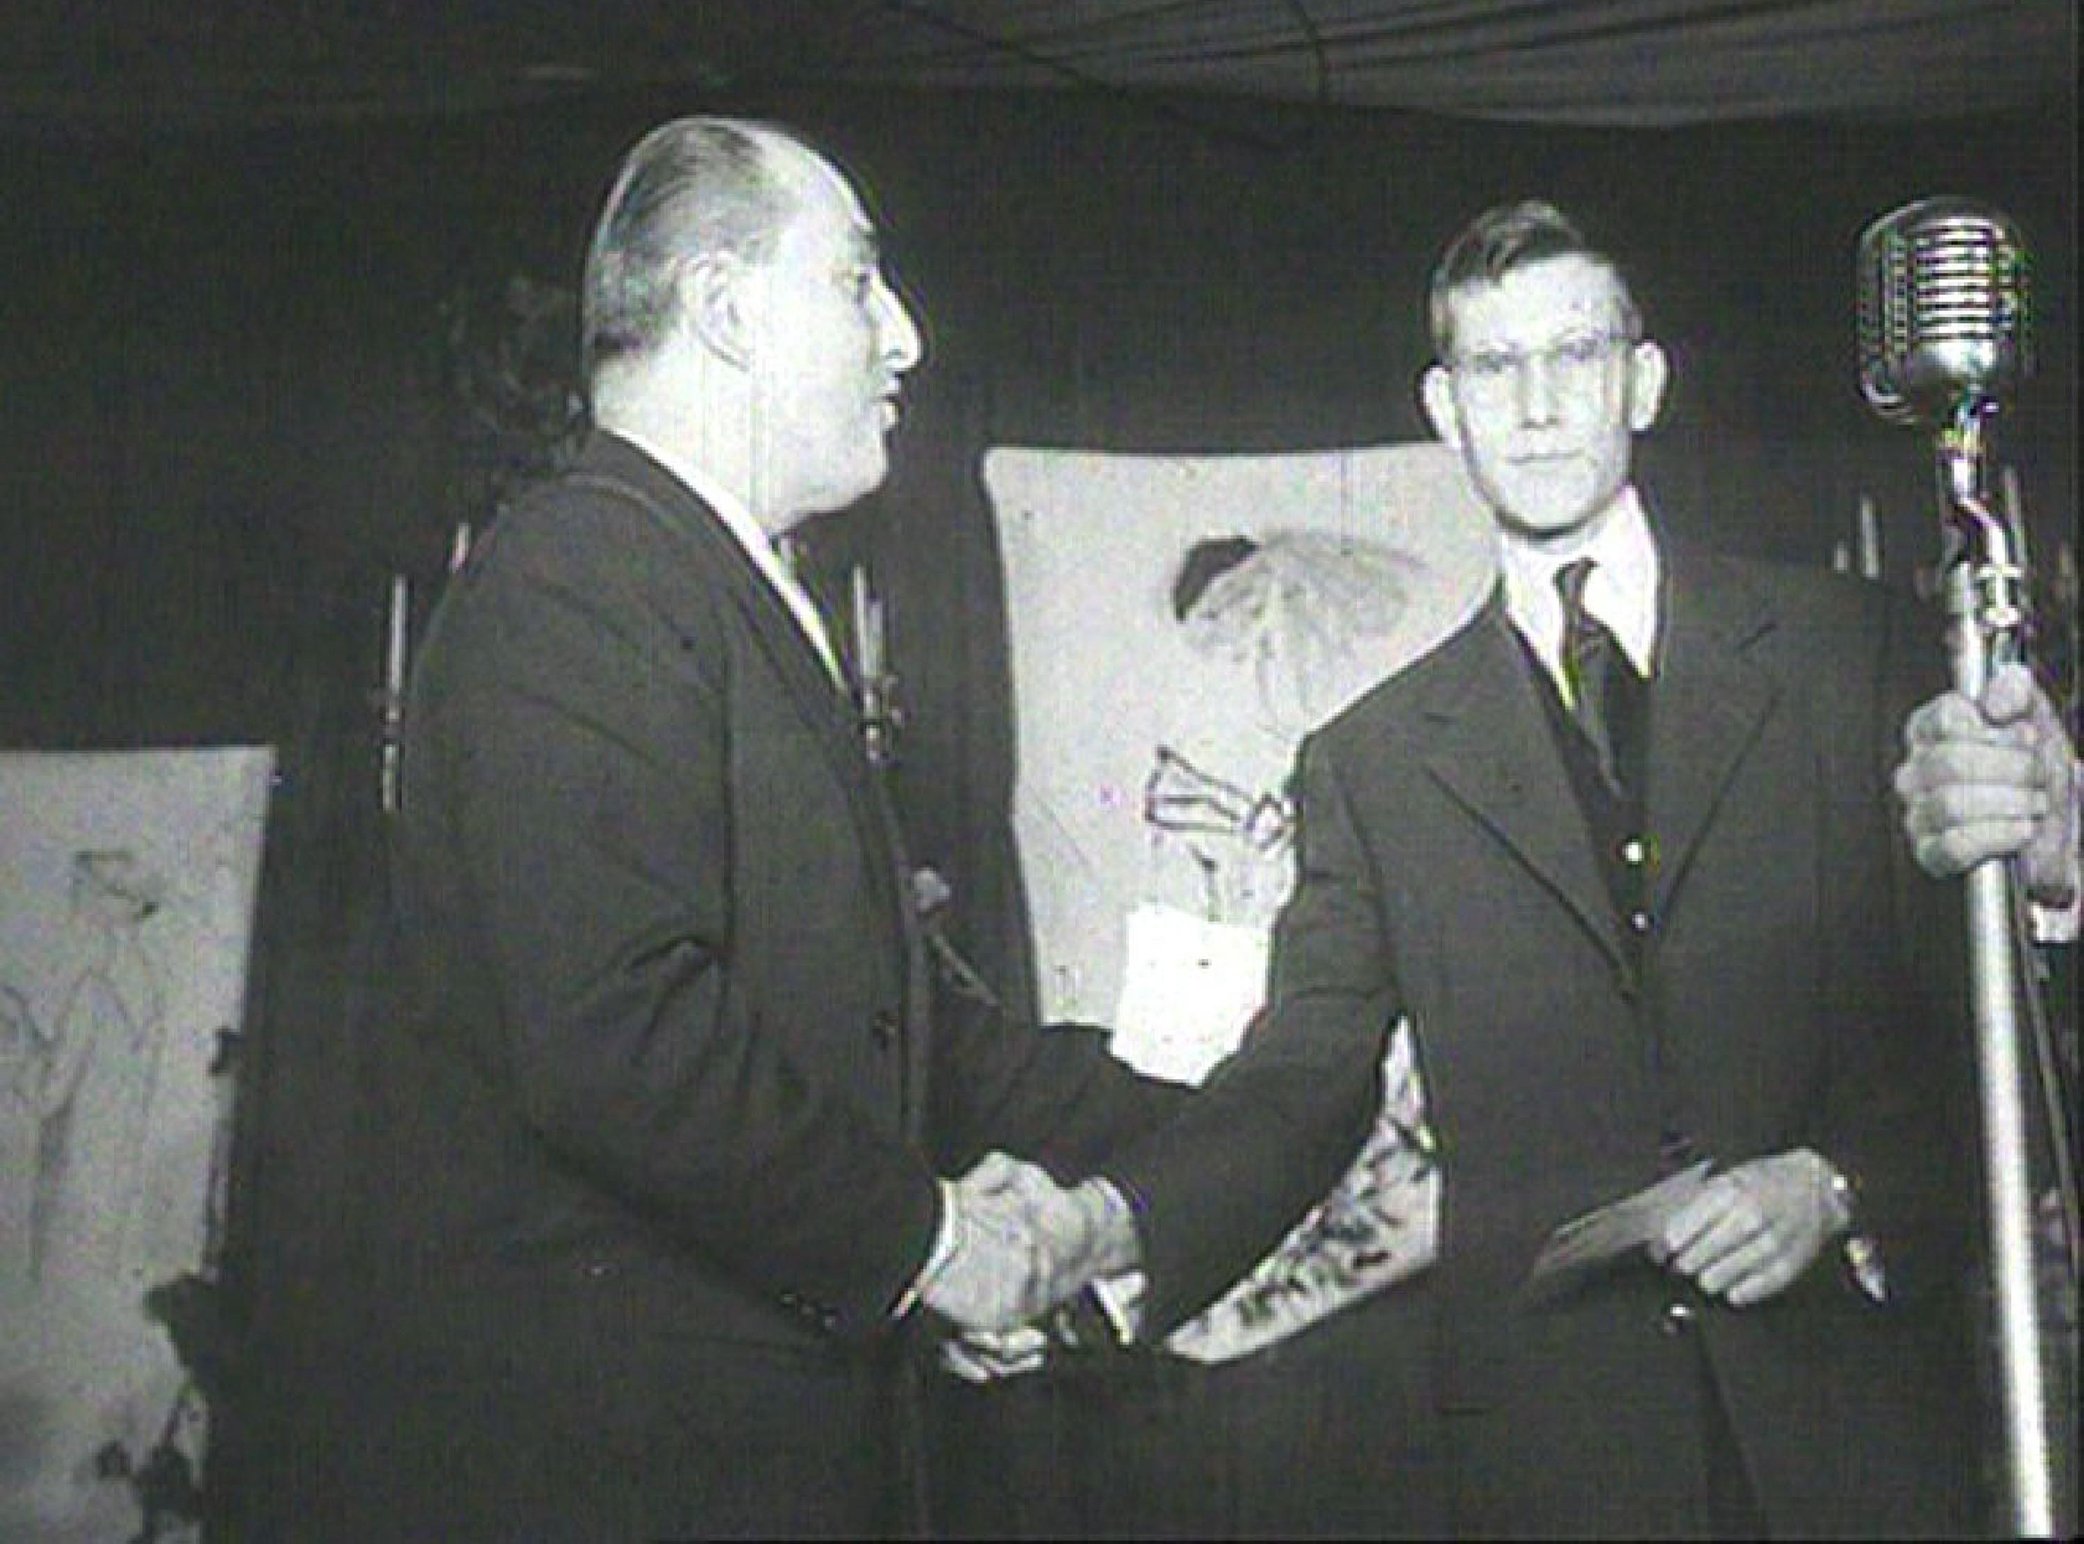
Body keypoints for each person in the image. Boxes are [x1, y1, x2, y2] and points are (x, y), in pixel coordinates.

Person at [976, 199, 2078, 1538]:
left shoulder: (1861, 656)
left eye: (1577, 358)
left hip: (1854, 1431)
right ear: (1447, 407)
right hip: (1561, 1464)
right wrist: (1101, 1228)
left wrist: (1837, 1183)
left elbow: (1984, 1029)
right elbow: (1296, 1091)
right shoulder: (1371, 764)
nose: (1541, 406)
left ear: (1644, 381)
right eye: (1498, 369)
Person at [309, 116, 1179, 1542]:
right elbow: (619, 1037)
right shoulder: (581, 584)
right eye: (857, 282)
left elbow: (897, 1030)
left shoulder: (705, 589)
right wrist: (936, 1243)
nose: (905, 336)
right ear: (721, 310)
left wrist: (1263, 1102)